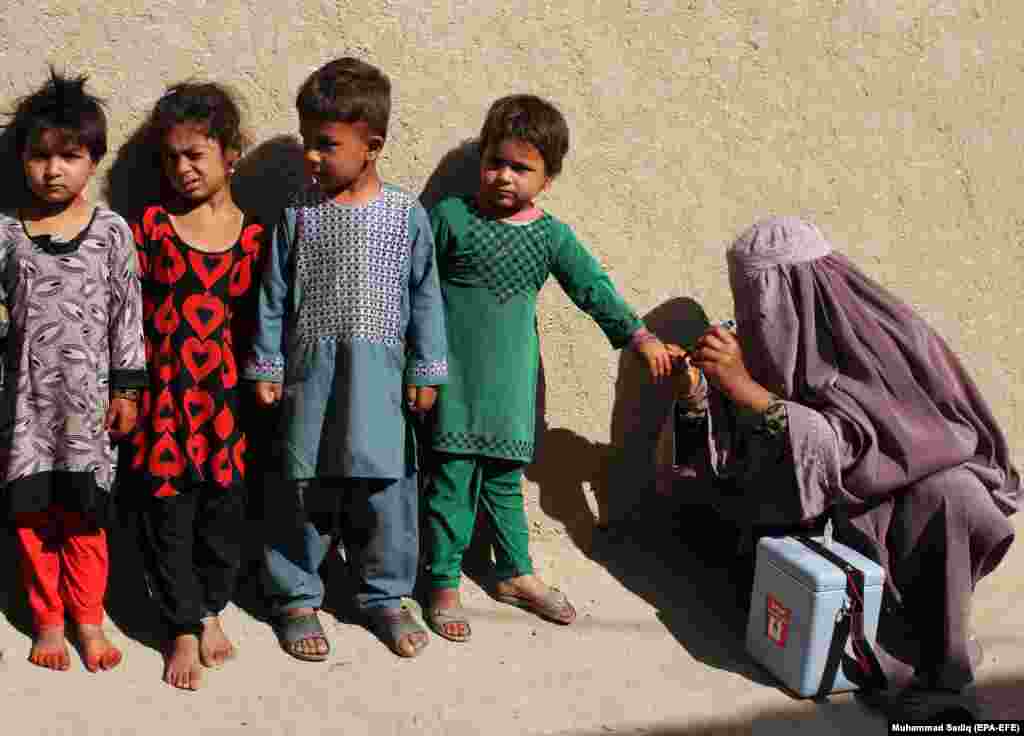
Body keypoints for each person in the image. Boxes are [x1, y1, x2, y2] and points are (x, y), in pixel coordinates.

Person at [670, 216, 1019, 710]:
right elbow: (711, 468)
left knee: (956, 493)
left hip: (897, 511)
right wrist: (695, 397)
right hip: (806, 525)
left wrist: (747, 391)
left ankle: (944, 662)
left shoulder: (885, 336)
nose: (752, 311)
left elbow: (863, 445)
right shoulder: (748, 349)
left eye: (760, 295)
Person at [423, 94, 673, 643]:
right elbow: (412, 287)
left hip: (512, 382)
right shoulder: (450, 218)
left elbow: (591, 286)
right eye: (495, 162)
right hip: (452, 380)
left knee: (505, 481)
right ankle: (441, 582)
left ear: (548, 178)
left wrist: (639, 335)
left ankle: (515, 573)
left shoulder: (550, 237)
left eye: (521, 167)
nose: (504, 177)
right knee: (451, 480)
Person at [245, 57, 448, 661]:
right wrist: (266, 365)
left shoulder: (406, 216)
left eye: (326, 144)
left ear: (372, 146)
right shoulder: (297, 217)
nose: (310, 156)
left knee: (386, 492)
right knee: (304, 489)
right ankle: (296, 597)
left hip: (381, 386)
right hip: (312, 383)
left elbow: (427, 298)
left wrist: (427, 369)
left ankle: (384, 595)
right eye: (307, 141)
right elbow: (273, 297)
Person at [0, 69, 146, 672]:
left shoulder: (112, 232)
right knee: (34, 518)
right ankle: (48, 620)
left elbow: (127, 316)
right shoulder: (7, 233)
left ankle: (88, 617)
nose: (53, 170)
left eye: (70, 156)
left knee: (85, 518)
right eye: (39, 156)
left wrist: (129, 388)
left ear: (93, 161)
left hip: (88, 411)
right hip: (27, 412)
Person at [127, 82, 268, 690]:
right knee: (167, 516)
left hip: (228, 413)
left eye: (196, 155)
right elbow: (123, 311)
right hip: (163, 405)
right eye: (171, 157)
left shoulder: (257, 238)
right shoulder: (153, 228)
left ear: (230, 152)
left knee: (222, 520)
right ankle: (182, 626)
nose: (182, 169)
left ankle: (211, 605)